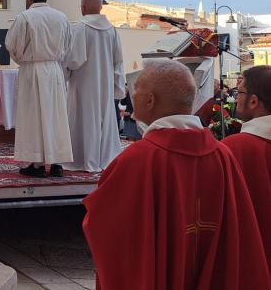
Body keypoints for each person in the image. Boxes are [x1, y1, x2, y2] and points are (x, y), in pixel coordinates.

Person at [83, 59, 270, 288]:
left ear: (150, 100)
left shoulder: (136, 160)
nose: (132, 95)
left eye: (137, 89)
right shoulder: (223, 156)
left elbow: (105, 228)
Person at [6, 0, 72, 177]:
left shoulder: (25, 17)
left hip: (33, 69)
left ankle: (37, 164)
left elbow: (12, 45)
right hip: (54, 69)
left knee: (33, 116)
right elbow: (68, 45)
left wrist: (23, 60)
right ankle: (57, 162)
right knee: (55, 115)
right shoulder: (62, 17)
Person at [64, 0, 126, 172]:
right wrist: (117, 85)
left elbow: (74, 59)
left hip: (83, 82)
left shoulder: (80, 28)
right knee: (103, 118)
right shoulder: (112, 30)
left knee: (82, 118)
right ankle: (104, 158)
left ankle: (83, 159)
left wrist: (65, 72)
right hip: (104, 84)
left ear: (83, 8)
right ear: (100, 7)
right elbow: (118, 61)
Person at [223, 65, 271, 260]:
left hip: (251, 259)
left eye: (239, 91)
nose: (235, 98)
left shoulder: (233, 149)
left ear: (253, 101)